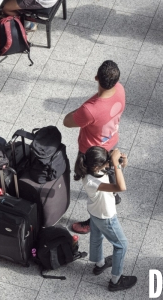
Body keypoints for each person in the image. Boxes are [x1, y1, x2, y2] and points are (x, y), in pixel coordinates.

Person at [63, 60, 125, 234]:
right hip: (112, 143)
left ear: (96, 77)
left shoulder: (89, 110)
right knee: (111, 171)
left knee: (96, 191)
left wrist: (82, 110)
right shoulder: (120, 90)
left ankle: (94, 221)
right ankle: (114, 194)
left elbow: (67, 121)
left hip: (92, 154)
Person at [73, 146, 137, 292]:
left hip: (95, 212)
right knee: (122, 245)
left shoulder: (89, 169)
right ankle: (116, 280)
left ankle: (99, 264)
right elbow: (121, 187)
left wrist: (121, 163)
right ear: (97, 165)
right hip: (106, 216)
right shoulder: (92, 181)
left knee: (96, 237)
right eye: (106, 161)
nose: (108, 163)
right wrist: (115, 164)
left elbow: (115, 170)